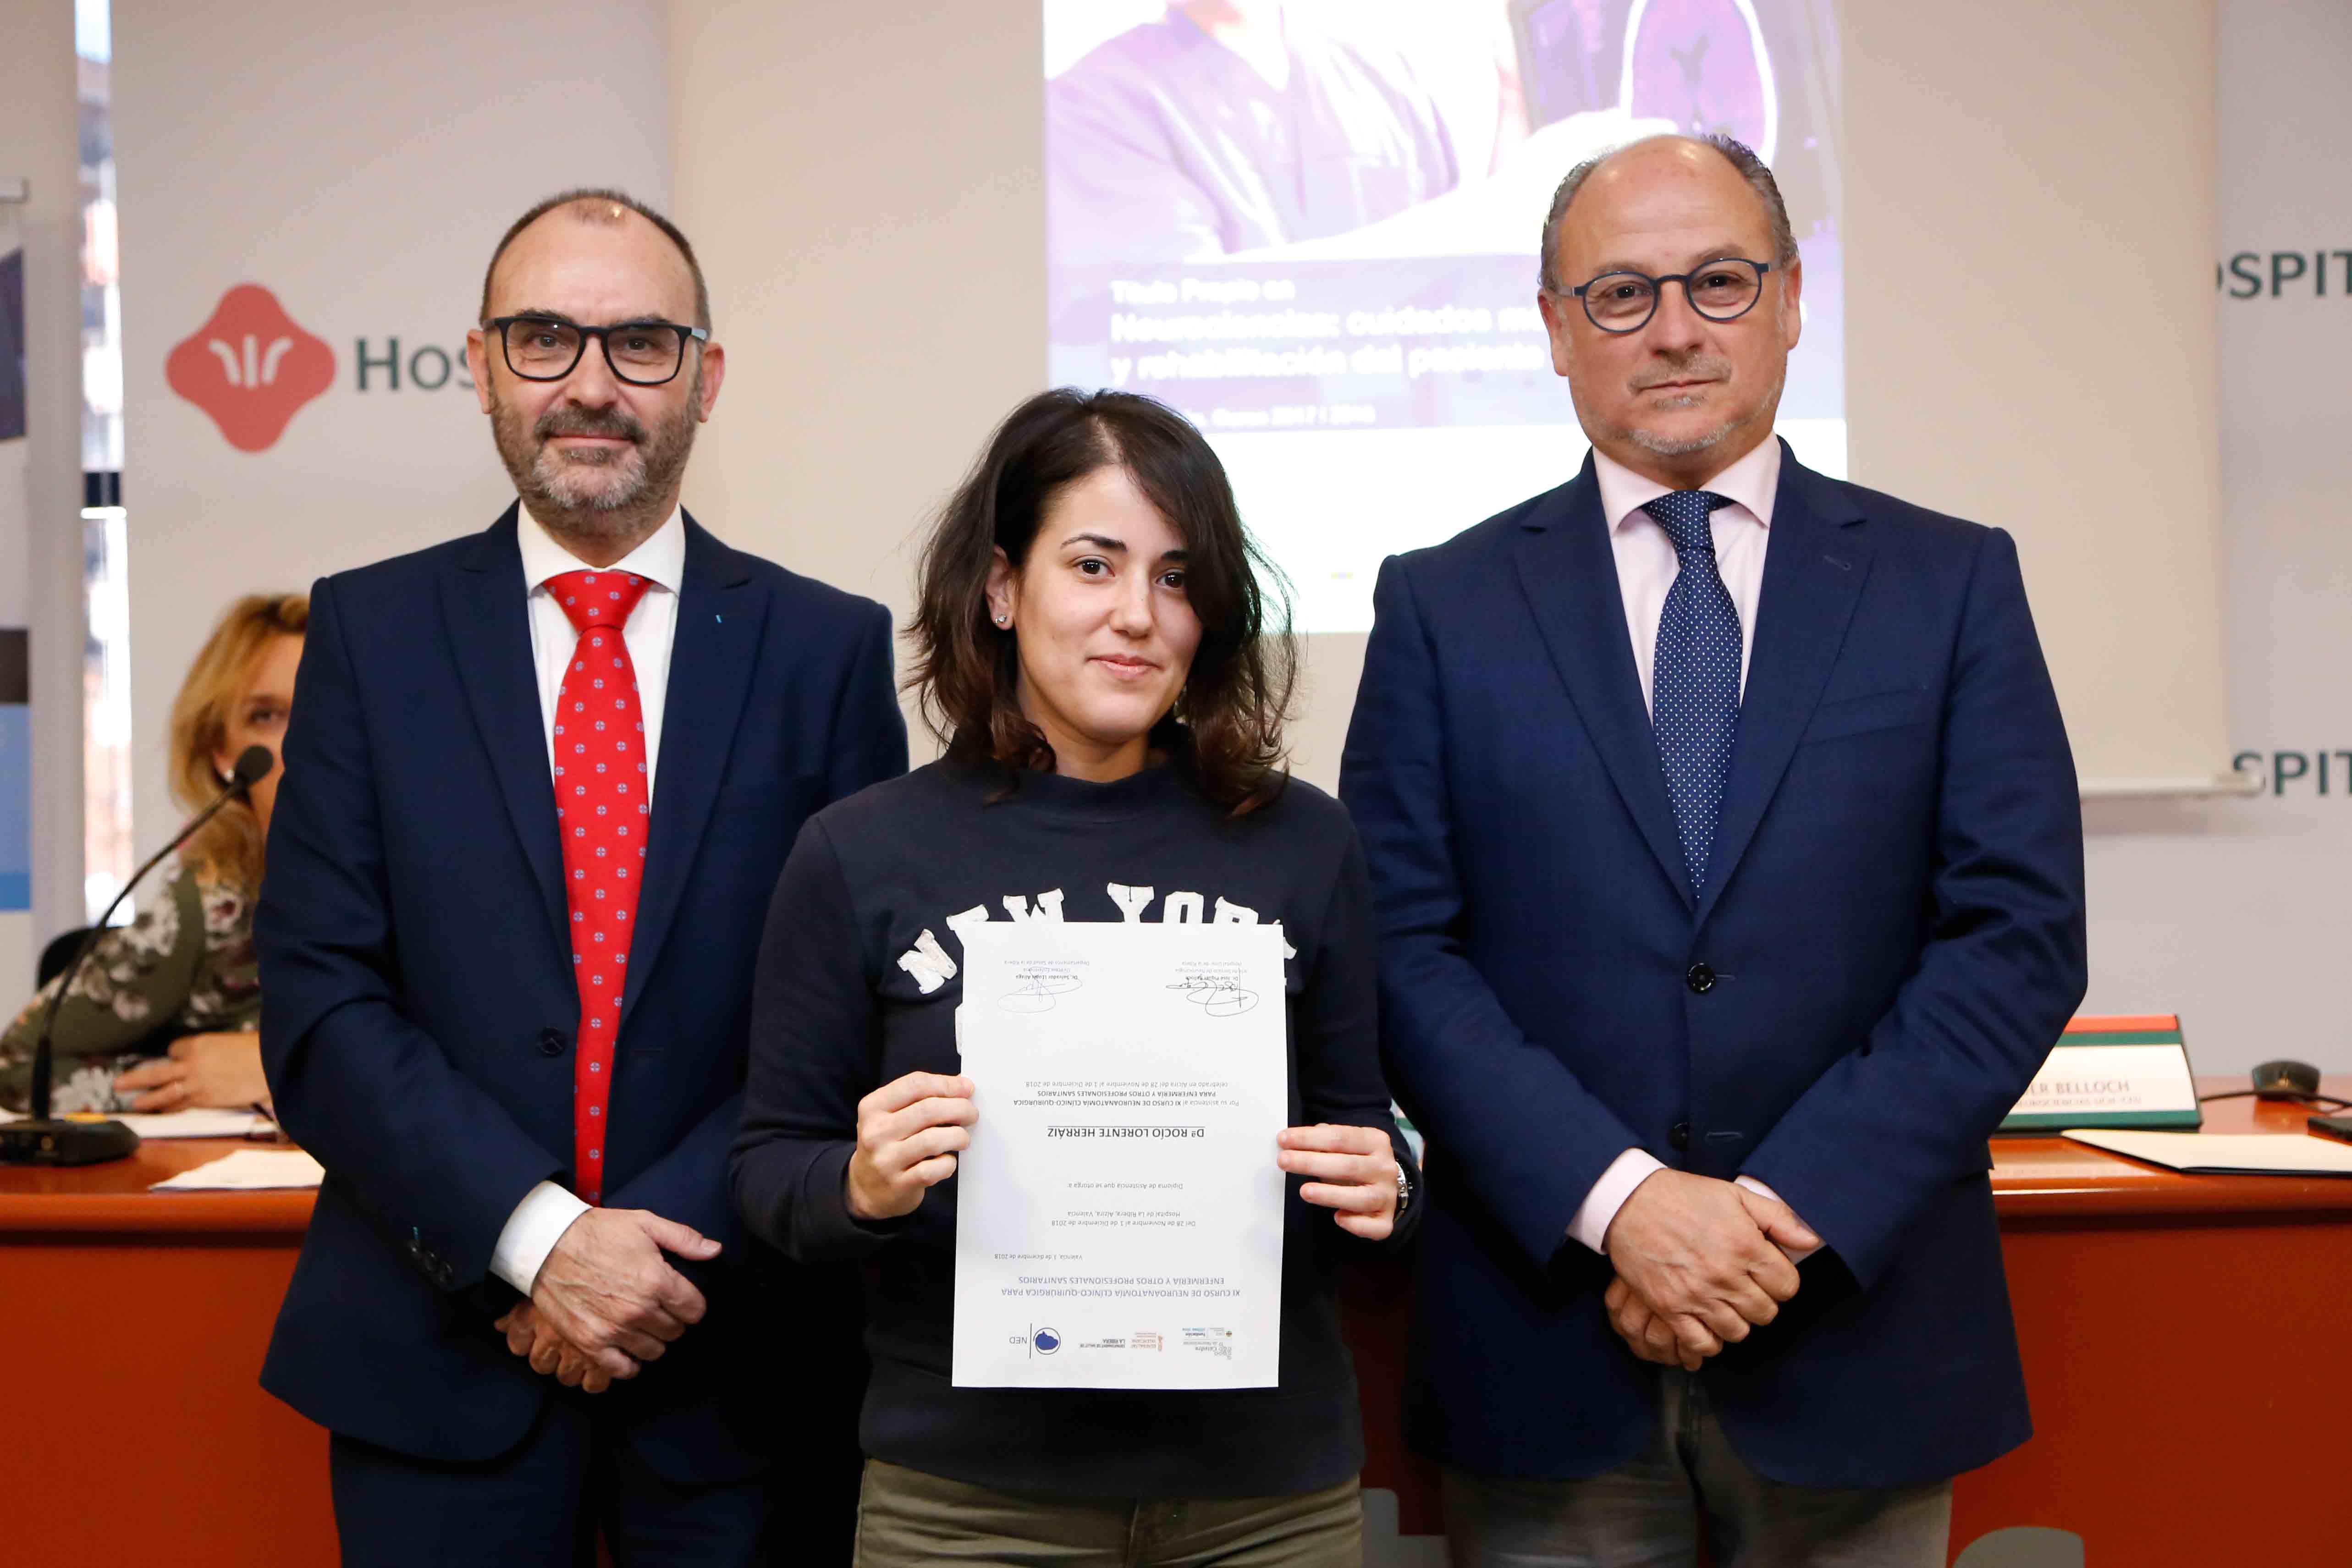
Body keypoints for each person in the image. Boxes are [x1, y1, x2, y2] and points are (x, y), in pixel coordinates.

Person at [1338, 135, 2088, 1565]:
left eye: (1720, 282)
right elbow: (1403, 952)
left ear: (1792, 299)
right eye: (1621, 293)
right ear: (1554, 327)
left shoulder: (1948, 581)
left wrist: (1772, 1216)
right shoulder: (1442, 604)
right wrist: (1622, 1205)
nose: (1674, 329)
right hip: (1548, 1346)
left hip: (1853, 1329)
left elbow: (2015, 935)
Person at [254, 189, 906, 1566]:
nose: (592, 385)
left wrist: (645, 1258)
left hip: (737, 1365)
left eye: (641, 343)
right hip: (439, 1354)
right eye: (545, 338)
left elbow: (844, 1014)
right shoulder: (369, 634)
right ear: (481, 364)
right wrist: (539, 1238)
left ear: (706, 377)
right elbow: (321, 999)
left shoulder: (824, 650)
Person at [732, 387, 1417, 1566]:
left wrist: (1386, 1182)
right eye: (1094, 565)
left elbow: (1372, 1146)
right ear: (1003, 588)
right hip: (970, 1501)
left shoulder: (1305, 841)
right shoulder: (861, 851)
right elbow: (768, 1173)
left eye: (1175, 577)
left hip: (1263, 1496)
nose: (1136, 615)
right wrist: (861, 1179)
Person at [0, 591, 303, 1117]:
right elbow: (18, 1065)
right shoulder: (210, 907)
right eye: (266, 716)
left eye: (322, 708)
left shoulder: (427, 879)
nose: (299, 742)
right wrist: (200, 1084)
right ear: (222, 753)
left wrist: (287, 1068)